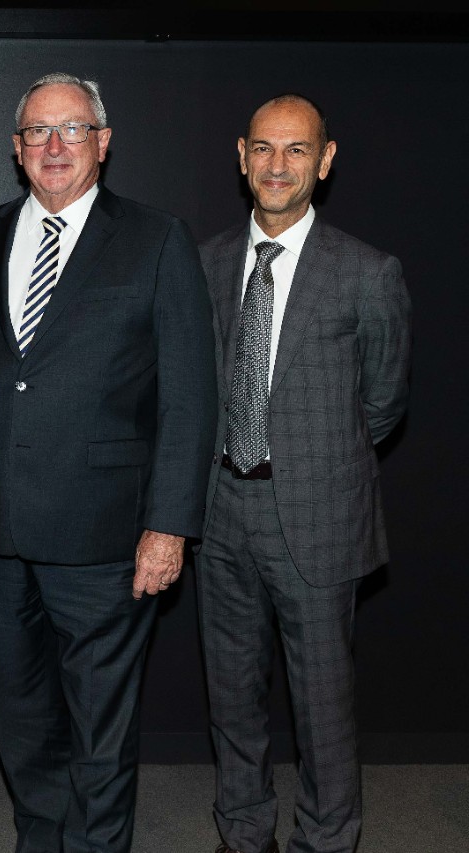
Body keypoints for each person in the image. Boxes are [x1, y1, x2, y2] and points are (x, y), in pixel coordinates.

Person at [0, 72, 216, 853]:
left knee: (100, 731)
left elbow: (189, 397)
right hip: (0, 534)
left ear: (103, 142)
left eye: (73, 129)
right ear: (17, 148)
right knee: (22, 718)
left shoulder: (157, 238)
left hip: (107, 538)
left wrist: (169, 526)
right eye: (38, 131)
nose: (55, 145)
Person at [196, 94, 411, 853]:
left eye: (296, 150)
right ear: (241, 156)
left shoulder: (368, 272)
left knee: (323, 703)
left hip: (318, 517)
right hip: (220, 511)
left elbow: (382, 403)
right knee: (231, 694)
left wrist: (316, 459)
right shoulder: (208, 261)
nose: (277, 165)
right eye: (263, 148)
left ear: (325, 160)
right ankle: (243, 830)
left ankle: (325, 839)